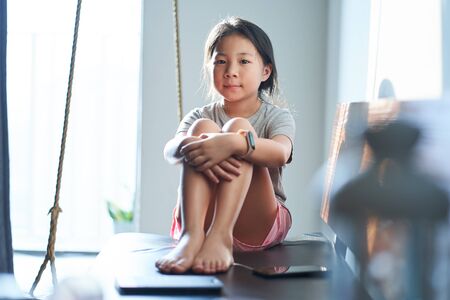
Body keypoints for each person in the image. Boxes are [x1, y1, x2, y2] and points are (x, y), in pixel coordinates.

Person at [155, 16, 295, 275]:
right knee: (202, 130)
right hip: (201, 219)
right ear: (209, 68)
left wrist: (236, 142)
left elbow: (280, 153)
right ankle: (192, 236)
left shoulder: (277, 117)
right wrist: (195, 144)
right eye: (221, 61)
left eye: (243, 61)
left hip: (257, 222)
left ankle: (221, 236)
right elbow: (170, 151)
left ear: (266, 71)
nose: (231, 70)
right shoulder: (202, 115)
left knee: (238, 128)